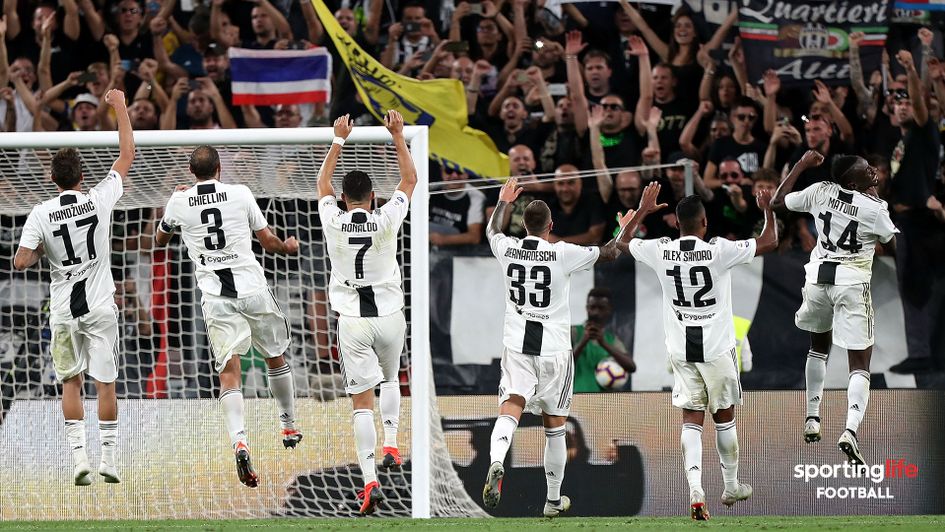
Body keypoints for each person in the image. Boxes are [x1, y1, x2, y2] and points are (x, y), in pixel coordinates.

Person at [482, 177, 665, 517]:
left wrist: (504, 201)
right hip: (555, 350)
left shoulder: (507, 248)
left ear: (523, 226)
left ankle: (496, 461)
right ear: (550, 226)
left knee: (511, 408)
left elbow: (492, 230)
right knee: (555, 427)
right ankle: (553, 500)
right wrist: (630, 222)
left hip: (518, 347)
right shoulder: (562, 252)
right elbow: (610, 252)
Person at [154, 145, 303, 489]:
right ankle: (288, 425)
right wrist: (288, 247)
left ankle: (240, 442)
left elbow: (160, 240)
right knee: (275, 356)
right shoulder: (241, 193)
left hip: (216, 297)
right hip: (252, 288)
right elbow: (268, 241)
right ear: (220, 168)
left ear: (192, 172)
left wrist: (175, 203)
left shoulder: (179, 200)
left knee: (229, 371)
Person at [626, 188, 779, 520]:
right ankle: (731, 485)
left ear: (676, 223)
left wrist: (641, 211)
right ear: (705, 222)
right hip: (717, 348)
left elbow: (623, 243)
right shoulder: (718, 250)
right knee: (724, 416)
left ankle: (695, 489)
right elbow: (770, 242)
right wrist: (768, 209)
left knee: (691, 418)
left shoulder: (661, 250)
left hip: (681, 350)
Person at [13, 89, 133, 486]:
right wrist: (119, 106)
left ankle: (79, 459)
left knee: (71, 382)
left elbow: (20, 261)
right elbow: (126, 155)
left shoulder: (40, 213)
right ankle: (109, 460)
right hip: (100, 306)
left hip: (63, 310)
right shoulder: (99, 198)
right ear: (82, 177)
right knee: (105, 382)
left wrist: (41, 249)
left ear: (52, 179)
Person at [315, 110, 417, 515]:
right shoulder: (387, 217)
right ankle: (391, 443)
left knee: (361, 403)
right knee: (390, 379)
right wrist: (397, 135)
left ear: (344, 199)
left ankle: (370, 480)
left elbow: (322, 183)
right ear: (373, 197)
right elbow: (409, 180)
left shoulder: (332, 219)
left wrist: (339, 139)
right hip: (390, 315)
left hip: (353, 321)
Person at [772, 150, 899, 465]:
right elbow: (892, 246)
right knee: (860, 362)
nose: (872, 170)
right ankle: (850, 431)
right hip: (851, 283)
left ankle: (812, 417)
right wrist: (875, 205)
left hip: (818, 279)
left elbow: (777, 202)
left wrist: (801, 164)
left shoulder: (820, 191)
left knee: (818, 348)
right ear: (853, 183)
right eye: (866, 170)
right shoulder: (874, 208)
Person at [571, 287, 635, 392]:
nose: (596, 312)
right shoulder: (574, 332)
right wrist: (583, 341)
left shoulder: (612, 340)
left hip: (603, 399)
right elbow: (563, 366)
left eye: (601, 308)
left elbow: (631, 367)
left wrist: (603, 343)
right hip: (575, 397)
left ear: (609, 310)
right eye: (593, 307)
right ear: (587, 308)